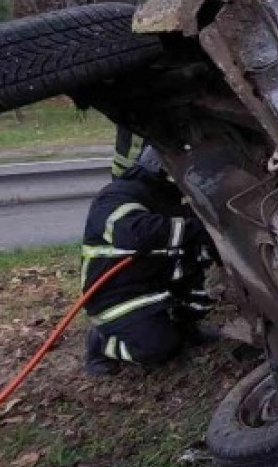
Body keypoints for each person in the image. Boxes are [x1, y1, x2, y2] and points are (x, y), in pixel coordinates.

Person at [81, 147, 216, 375]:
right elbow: (135, 233)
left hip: (158, 285)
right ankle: (103, 344)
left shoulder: (170, 194)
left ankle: (184, 326)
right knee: (158, 348)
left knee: (198, 286)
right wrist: (197, 227)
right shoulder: (117, 196)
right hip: (118, 295)